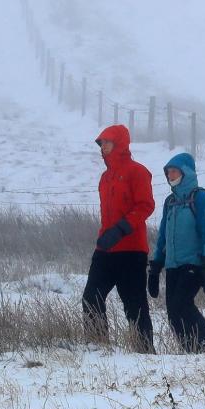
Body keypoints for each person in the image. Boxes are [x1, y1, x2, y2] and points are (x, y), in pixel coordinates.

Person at [82, 125, 156, 352]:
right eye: (101, 143)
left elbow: (146, 205)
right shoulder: (105, 177)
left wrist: (121, 229)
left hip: (131, 250)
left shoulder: (137, 171)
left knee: (134, 304)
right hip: (105, 248)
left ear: (120, 143)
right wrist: (106, 235)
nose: (103, 147)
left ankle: (145, 351)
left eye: (107, 142)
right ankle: (98, 347)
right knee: (90, 297)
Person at [148, 152, 205, 353]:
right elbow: (163, 235)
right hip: (173, 265)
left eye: (174, 171)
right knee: (172, 311)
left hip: (194, 264)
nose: (170, 175)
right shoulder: (170, 202)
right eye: (168, 172)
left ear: (186, 172)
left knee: (182, 304)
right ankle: (191, 350)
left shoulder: (200, 198)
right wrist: (155, 266)